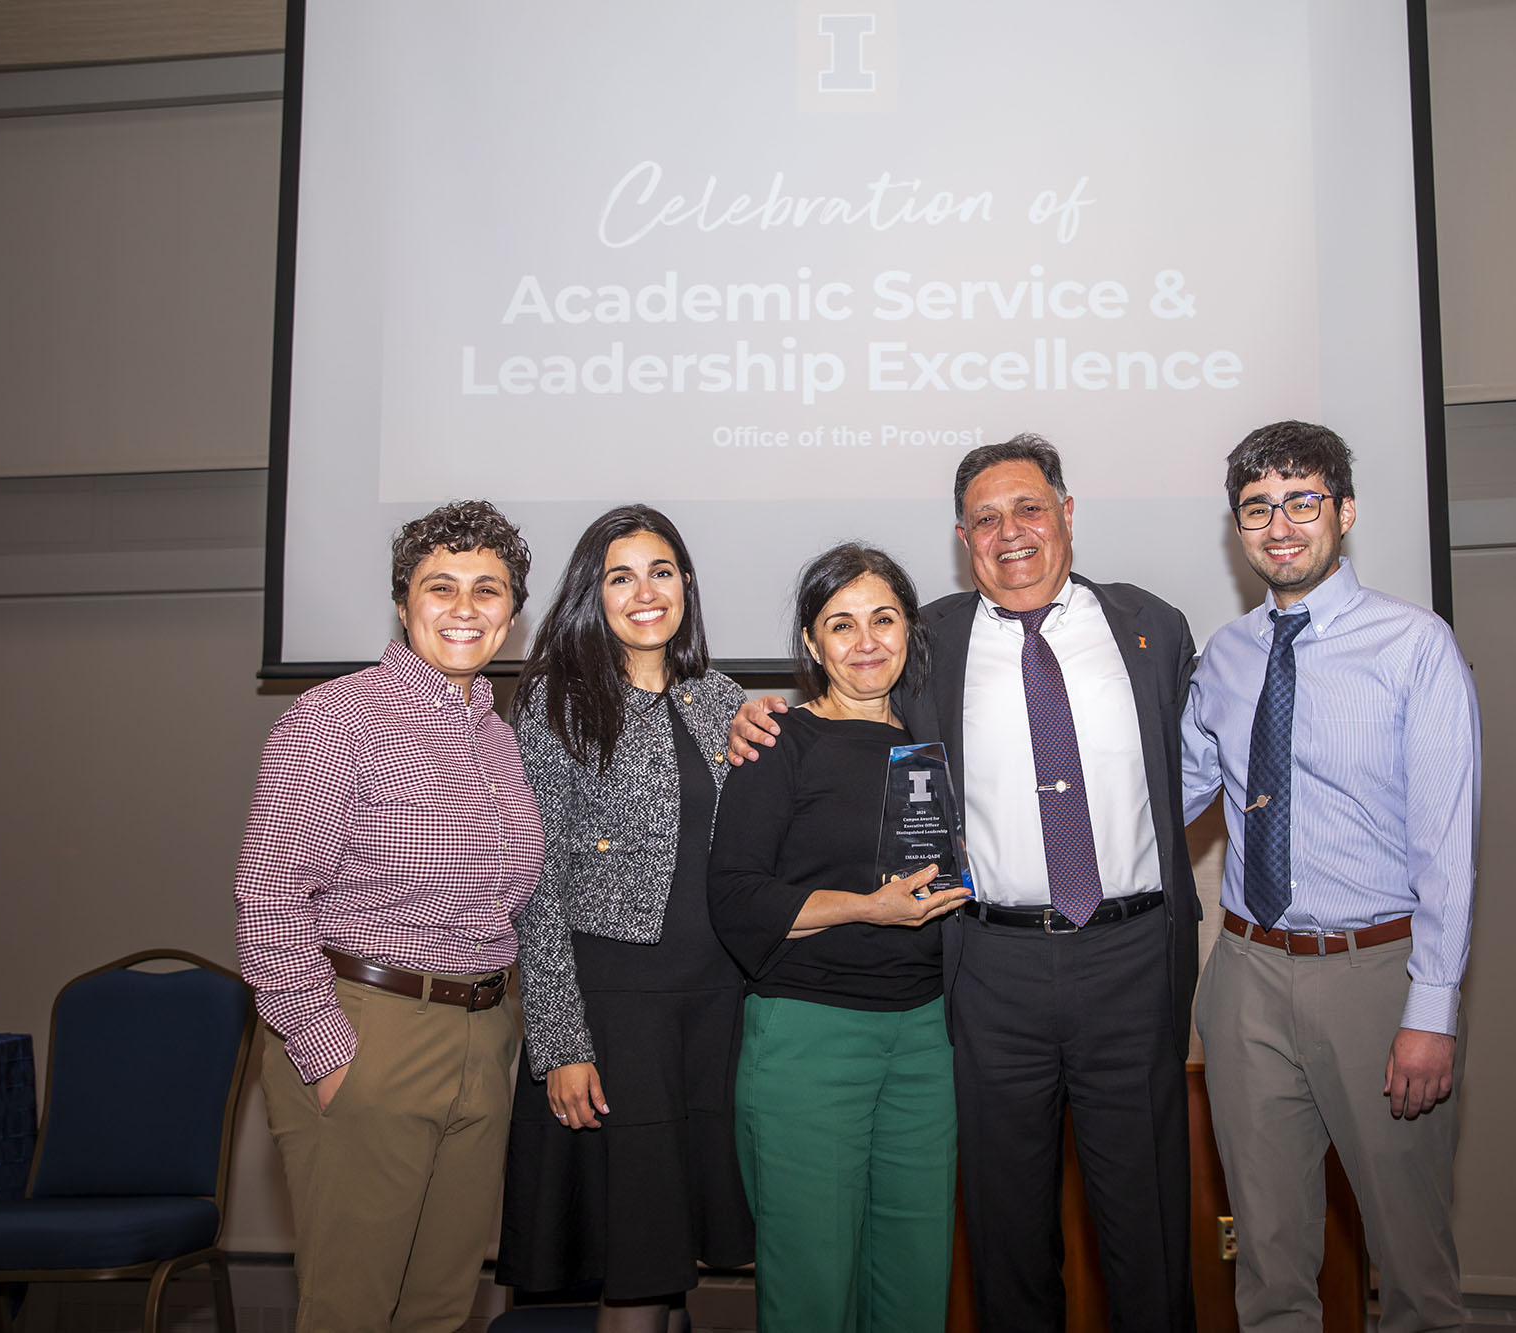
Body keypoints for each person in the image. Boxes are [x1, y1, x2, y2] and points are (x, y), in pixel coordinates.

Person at [731, 437, 1201, 1333]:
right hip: (989, 969)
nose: (1009, 532)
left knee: (1147, 1231)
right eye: (985, 519)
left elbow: (1200, 760)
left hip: (1133, 958)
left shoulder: (1152, 625)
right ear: (961, 537)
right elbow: (841, 694)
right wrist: (746, 709)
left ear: (1067, 511)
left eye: (1028, 508)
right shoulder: (926, 642)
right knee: (1006, 1234)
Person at [1181, 420, 1480, 1333]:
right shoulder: (1225, 658)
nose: (1280, 524)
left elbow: (1449, 843)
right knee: (1267, 1262)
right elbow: (1163, 799)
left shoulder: (1413, 644)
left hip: (1375, 976)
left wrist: (1430, 1011)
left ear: (1343, 512)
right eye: (1257, 507)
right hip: (1245, 977)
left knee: (1414, 1269)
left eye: (1302, 501)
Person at [235, 499, 540, 1333]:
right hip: (370, 1026)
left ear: (514, 613)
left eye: (489, 589)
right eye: (441, 587)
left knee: (441, 1306)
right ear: (403, 603)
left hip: (482, 1033)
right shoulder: (337, 717)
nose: (466, 607)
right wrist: (330, 1054)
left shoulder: (499, 739)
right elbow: (268, 899)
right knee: (350, 1311)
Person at [497, 505, 754, 1333]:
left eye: (662, 570)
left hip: (721, 1008)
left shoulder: (726, 700)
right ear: (592, 593)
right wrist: (561, 1044)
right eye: (621, 575)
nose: (645, 591)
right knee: (636, 1267)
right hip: (617, 1012)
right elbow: (536, 886)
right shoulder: (554, 703)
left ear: (687, 585)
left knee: (680, 1260)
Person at [707, 543, 972, 1333]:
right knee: (814, 1291)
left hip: (929, 1041)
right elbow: (737, 898)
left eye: (883, 619)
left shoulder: (937, 744)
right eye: (841, 624)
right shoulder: (777, 741)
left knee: (917, 1282)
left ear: (909, 632)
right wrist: (866, 907)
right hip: (809, 1041)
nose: (866, 641)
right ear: (812, 644)